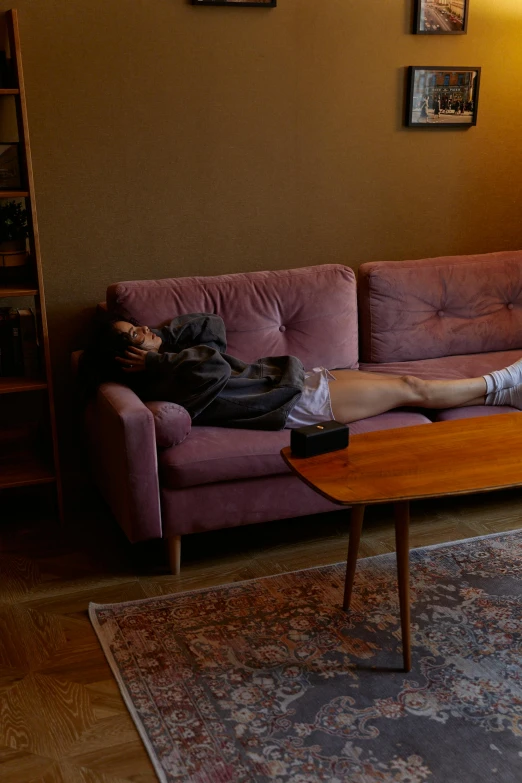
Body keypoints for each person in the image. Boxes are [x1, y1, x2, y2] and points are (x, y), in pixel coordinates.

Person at [80, 312, 522, 431]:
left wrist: (160, 338)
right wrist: (159, 357)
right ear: (130, 361)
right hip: (297, 405)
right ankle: (502, 381)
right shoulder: (168, 378)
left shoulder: (171, 359)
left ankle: (505, 396)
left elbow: (210, 326)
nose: (144, 328)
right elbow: (212, 365)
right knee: (413, 388)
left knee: (413, 388)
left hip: (300, 380)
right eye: (136, 333)